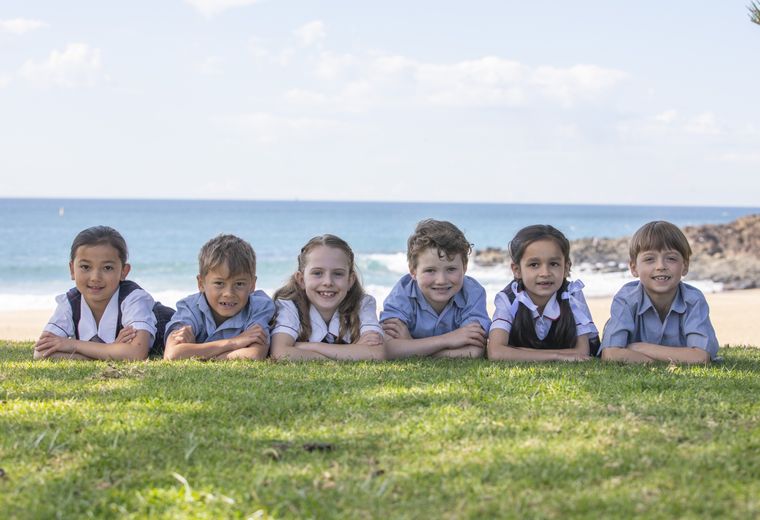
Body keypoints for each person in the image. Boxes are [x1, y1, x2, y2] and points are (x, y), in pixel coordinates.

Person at [599, 221, 719, 364]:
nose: (661, 266)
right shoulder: (626, 299)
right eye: (649, 259)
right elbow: (611, 354)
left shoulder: (693, 300)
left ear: (685, 266)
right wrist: (657, 363)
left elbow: (700, 357)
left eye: (671, 258)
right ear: (634, 268)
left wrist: (640, 348)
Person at [35, 226, 161, 361]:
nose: (95, 277)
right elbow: (41, 352)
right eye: (85, 267)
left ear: (124, 271)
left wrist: (72, 345)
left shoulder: (134, 299)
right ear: (72, 269)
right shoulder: (70, 302)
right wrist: (111, 350)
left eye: (107, 268)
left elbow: (136, 353)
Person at [380, 219, 490, 359]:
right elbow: (387, 349)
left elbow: (474, 351)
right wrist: (449, 339)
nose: (441, 280)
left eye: (451, 269)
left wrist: (410, 345)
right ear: (413, 271)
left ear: (465, 268)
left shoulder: (473, 293)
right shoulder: (402, 294)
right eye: (430, 270)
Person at [487, 225, 598, 362]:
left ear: (566, 267)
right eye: (534, 264)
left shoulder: (572, 295)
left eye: (554, 264)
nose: (545, 273)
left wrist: (517, 351)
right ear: (517, 270)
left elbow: (582, 352)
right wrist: (557, 356)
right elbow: (496, 352)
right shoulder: (508, 299)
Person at [270, 234, 384, 361]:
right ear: (301, 280)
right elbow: (280, 352)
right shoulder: (289, 305)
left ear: (350, 280)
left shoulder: (363, 304)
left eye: (338, 274)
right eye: (317, 273)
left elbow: (377, 353)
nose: (328, 282)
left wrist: (306, 347)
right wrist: (352, 351)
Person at [163, 234, 274, 360]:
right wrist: (235, 342)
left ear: (252, 285)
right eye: (219, 283)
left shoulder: (259, 307)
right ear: (201, 283)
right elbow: (172, 354)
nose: (228, 293)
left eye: (239, 284)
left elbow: (254, 354)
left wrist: (195, 352)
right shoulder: (189, 308)